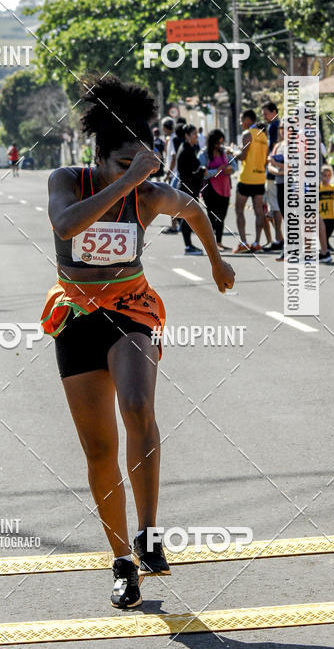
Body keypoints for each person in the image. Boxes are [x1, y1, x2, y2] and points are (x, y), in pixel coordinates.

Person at [41, 75, 235, 610]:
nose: (132, 173)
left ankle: (149, 534)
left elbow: (194, 209)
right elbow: (65, 226)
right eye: (120, 163)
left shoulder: (151, 195)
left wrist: (217, 260)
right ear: (100, 157)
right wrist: (124, 184)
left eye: (137, 163)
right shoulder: (69, 180)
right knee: (100, 449)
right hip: (77, 315)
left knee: (138, 405)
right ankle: (122, 559)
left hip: (130, 310)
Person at [233, 109, 268, 253]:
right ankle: (257, 243)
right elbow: (265, 159)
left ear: (248, 120)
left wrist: (233, 152)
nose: (241, 123)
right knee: (259, 211)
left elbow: (242, 156)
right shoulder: (264, 136)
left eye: (242, 120)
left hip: (247, 177)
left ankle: (243, 243)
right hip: (260, 178)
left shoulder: (247, 134)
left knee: (238, 209)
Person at [198, 129, 237, 250]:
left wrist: (231, 169)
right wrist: (217, 171)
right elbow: (202, 172)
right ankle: (211, 243)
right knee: (212, 216)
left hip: (225, 187)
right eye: (217, 143)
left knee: (222, 216)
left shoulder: (225, 152)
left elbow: (234, 166)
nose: (219, 145)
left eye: (221, 142)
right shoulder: (204, 154)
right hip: (210, 189)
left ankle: (218, 242)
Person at [175, 124, 205, 255]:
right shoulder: (186, 149)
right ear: (187, 136)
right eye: (194, 134)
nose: (196, 136)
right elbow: (190, 172)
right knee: (187, 218)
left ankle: (189, 245)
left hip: (190, 187)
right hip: (187, 188)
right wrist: (202, 171)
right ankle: (188, 246)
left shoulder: (190, 148)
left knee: (188, 217)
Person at [261, 101, 284, 251]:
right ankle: (279, 238)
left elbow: (274, 149)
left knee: (275, 207)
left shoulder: (275, 126)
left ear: (274, 111)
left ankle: (278, 239)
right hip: (274, 170)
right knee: (272, 207)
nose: (264, 117)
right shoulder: (274, 125)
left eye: (266, 114)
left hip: (275, 172)